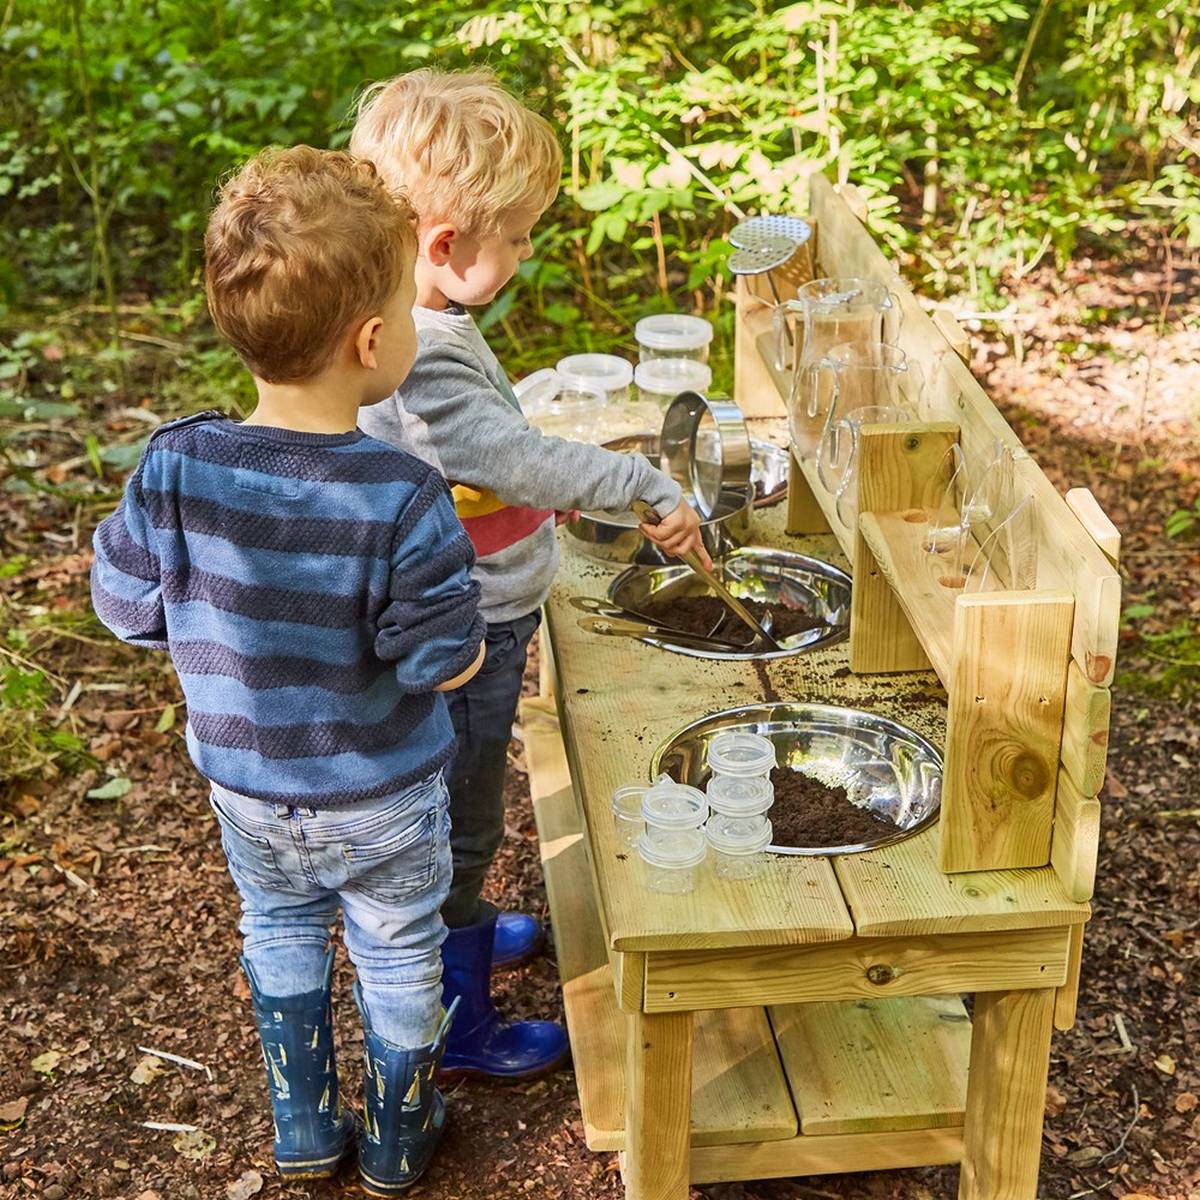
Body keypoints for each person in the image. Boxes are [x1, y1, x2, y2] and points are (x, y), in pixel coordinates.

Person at [90, 145, 485, 1196]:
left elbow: (126, 608)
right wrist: (473, 643)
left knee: (278, 923)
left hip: (250, 788)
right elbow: (441, 659)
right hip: (383, 795)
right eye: (406, 306)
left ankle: (302, 1123)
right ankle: (399, 1135)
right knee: (398, 944)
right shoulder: (402, 495)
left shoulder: (176, 464)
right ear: (370, 340)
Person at [351, 68, 711, 1081]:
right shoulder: (421, 357)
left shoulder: (419, 321)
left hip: (475, 611)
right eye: (514, 237)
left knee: (465, 801)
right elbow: (517, 461)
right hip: (462, 630)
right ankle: (456, 1025)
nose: (521, 254)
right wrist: (638, 482)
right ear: (443, 246)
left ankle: (465, 925)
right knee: (457, 819)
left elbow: (495, 458)